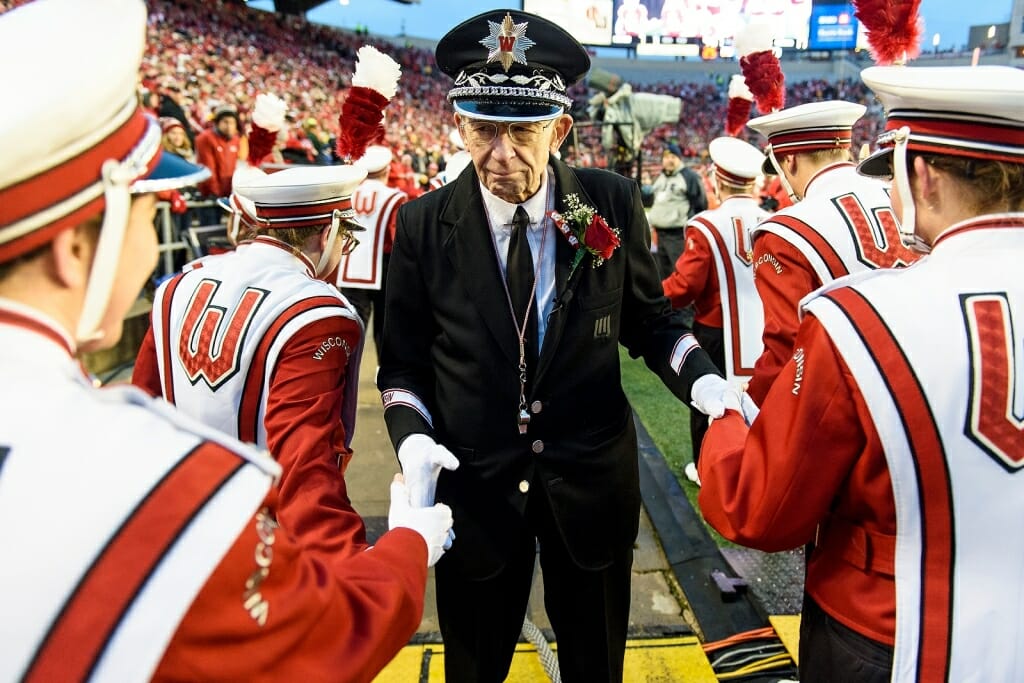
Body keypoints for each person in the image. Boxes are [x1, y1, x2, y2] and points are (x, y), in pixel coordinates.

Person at [0, 1, 452, 680]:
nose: (155, 233)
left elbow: (150, 399)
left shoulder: (181, 284)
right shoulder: (170, 475)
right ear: (72, 246)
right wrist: (407, 541)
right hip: (237, 539)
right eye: (149, 206)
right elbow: (321, 627)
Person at [378, 10, 733, 682]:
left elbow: (651, 323)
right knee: (474, 666)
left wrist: (702, 380)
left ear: (561, 129)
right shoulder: (424, 227)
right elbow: (401, 365)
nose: (500, 154)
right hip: (476, 495)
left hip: (591, 488)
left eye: (523, 130)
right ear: (457, 125)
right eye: (483, 128)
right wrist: (410, 437)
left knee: (596, 665)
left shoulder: (602, 207)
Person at [698, 64, 1024, 682]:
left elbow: (759, 509)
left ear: (920, 173)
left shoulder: (856, 314)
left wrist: (726, 419)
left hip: (890, 628)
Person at [743, 100, 919, 406]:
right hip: (926, 383)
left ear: (791, 161)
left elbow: (787, 347)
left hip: (850, 402)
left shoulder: (784, 232)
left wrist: (750, 404)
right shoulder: (904, 196)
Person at [662, 136, 768, 485]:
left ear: (718, 181)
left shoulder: (705, 224)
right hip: (766, 328)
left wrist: (651, 300)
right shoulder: (774, 219)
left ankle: (707, 468)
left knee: (708, 398)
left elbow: (686, 285)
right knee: (760, 396)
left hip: (715, 328)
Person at [337, 145, 409, 359]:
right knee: (385, 328)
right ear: (387, 170)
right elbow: (398, 238)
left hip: (350, 266)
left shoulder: (346, 192)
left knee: (351, 328)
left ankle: (345, 375)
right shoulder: (395, 196)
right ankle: (385, 377)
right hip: (384, 266)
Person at [647, 141, 709, 280]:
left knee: (680, 273)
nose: (668, 160)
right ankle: (667, 301)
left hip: (678, 235)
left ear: (679, 159)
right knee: (663, 273)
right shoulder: (661, 177)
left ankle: (683, 302)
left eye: (672, 157)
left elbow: (701, 204)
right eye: (666, 157)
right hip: (660, 234)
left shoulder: (689, 176)